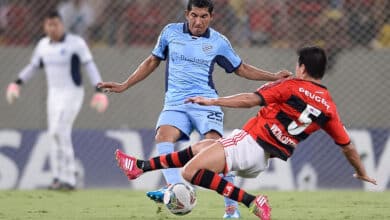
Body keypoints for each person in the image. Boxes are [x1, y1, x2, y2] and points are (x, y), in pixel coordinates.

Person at [113, 46, 377, 220]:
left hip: (249, 142)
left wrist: (214, 101)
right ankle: (140, 167)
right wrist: (362, 172)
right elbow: (347, 146)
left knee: (189, 173)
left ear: (302, 67)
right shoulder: (328, 105)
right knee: (200, 149)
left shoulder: (291, 86)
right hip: (262, 159)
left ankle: (251, 201)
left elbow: (251, 99)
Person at [98, 0, 290, 218]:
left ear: (211, 17)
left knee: (218, 149)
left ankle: (231, 209)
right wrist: (125, 85)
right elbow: (152, 61)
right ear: (186, 14)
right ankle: (174, 189)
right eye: (194, 16)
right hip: (175, 102)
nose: (198, 22)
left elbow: (241, 68)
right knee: (163, 136)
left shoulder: (218, 41)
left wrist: (273, 77)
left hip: (205, 101)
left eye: (204, 17)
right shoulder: (170, 32)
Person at [5, 11, 108, 190]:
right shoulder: (43, 45)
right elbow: (33, 66)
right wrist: (17, 83)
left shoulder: (76, 43)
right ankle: (57, 177)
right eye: (49, 25)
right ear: (44, 27)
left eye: (56, 24)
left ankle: (69, 177)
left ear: (62, 25)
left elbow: (90, 66)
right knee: (53, 133)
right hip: (54, 95)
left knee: (61, 130)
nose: (53, 28)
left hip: (72, 93)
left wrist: (99, 90)